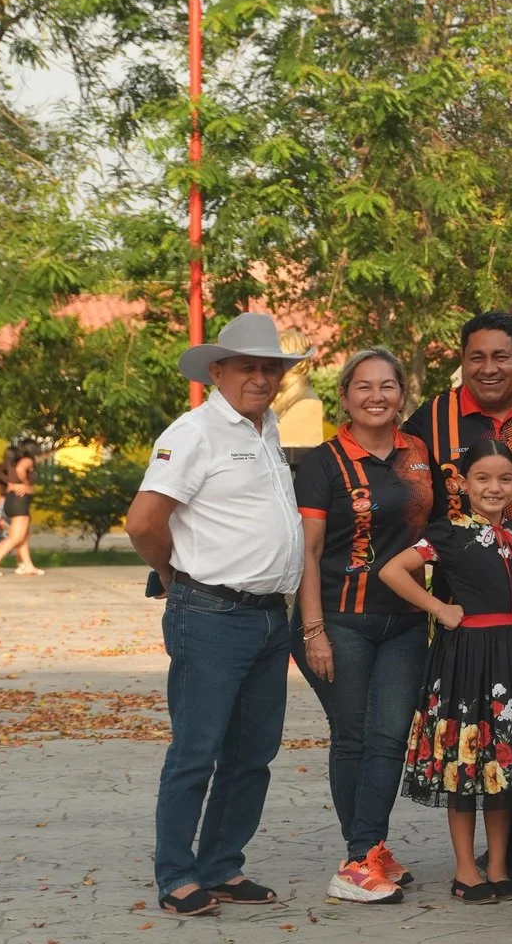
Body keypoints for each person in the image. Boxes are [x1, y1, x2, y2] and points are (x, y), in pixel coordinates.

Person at [126, 313, 313, 916]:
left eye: (270, 368)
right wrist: (170, 572)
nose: (261, 377)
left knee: (254, 753)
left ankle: (222, 866)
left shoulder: (270, 427)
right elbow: (144, 522)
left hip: (266, 618)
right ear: (218, 371)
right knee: (197, 750)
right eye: (248, 367)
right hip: (209, 613)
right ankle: (177, 874)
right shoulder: (194, 432)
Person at [380, 440, 512, 901]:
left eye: (504, 478)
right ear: (461, 483)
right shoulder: (447, 532)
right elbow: (392, 571)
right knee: (464, 763)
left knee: (502, 764)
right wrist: (439, 607)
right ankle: (466, 870)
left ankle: (499, 866)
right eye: (482, 478)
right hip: (465, 658)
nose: (494, 487)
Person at [293, 349, 434, 905]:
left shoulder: (417, 454)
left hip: (404, 620)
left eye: (388, 386)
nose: (377, 396)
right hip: (338, 620)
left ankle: (367, 849)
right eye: (363, 387)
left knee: (390, 736)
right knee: (355, 738)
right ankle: (359, 858)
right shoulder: (323, 462)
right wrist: (312, 630)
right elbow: (306, 551)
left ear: (402, 395)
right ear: (345, 397)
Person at [406, 312, 512, 524]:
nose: (488, 369)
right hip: (459, 555)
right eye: (477, 358)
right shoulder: (434, 415)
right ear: (463, 360)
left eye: (500, 357)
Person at [0, 445, 41, 576]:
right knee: (16, 537)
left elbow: (0, 471)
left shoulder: (11, 464)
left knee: (23, 536)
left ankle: (27, 566)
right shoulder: (26, 460)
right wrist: (26, 484)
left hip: (12, 501)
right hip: (19, 503)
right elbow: (20, 470)